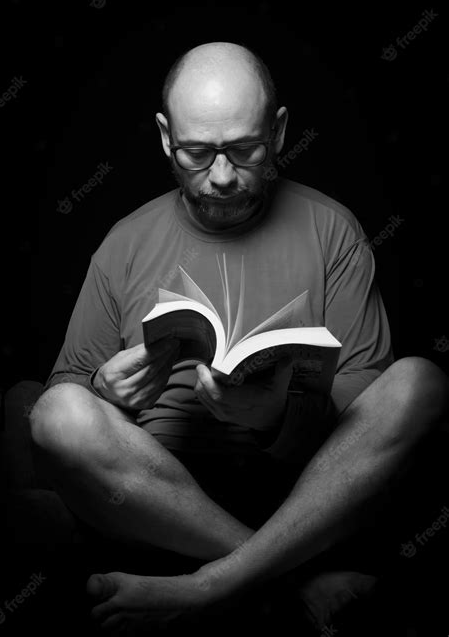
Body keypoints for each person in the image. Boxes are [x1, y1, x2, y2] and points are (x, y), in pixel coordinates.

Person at [30, 41, 448, 633]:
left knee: (420, 383)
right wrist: (104, 388)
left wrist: (281, 416)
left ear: (278, 133)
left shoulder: (333, 229)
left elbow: (371, 406)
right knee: (56, 413)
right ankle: (289, 575)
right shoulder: (123, 244)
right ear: (164, 137)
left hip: (301, 493)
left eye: (243, 150)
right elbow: (61, 402)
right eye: (197, 154)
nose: (221, 177)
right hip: (157, 500)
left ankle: (209, 584)